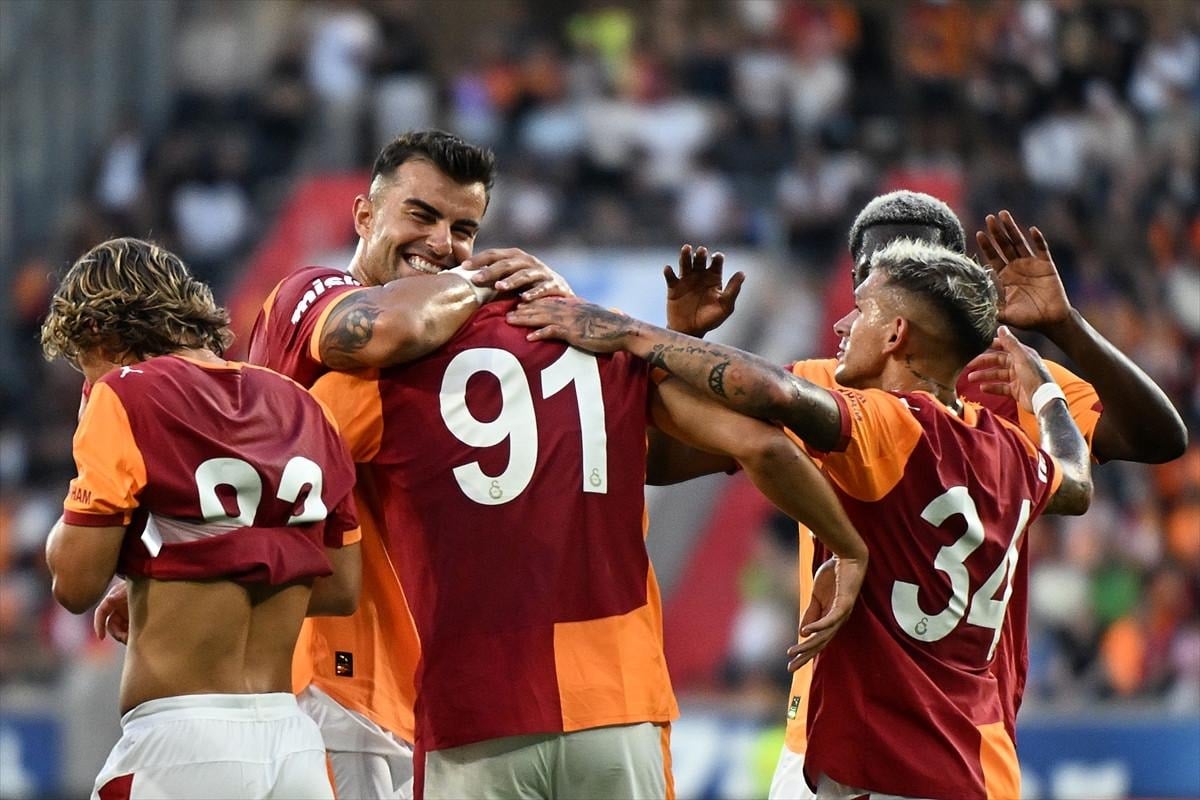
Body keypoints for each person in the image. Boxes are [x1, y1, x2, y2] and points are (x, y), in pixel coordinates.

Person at [509, 237, 1094, 799]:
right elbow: (1075, 483)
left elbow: (773, 393)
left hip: (884, 766)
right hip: (971, 766)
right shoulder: (1006, 448)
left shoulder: (891, 425)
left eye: (861, 309)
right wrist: (1046, 396)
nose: (841, 325)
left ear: (896, 334)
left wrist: (633, 333)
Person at [654, 190, 1187, 799]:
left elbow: (1158, 438)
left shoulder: (996, 377)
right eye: (874, 275)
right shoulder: (831, 382)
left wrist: (1065, 326)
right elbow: (666, 461)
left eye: (912, 267)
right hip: (835, 734)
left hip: (953, 728)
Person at [309, 287, 868, 799]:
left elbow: (289, 457)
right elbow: (761, 446)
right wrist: (848, 547)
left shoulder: (388, 373)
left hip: (473, 708)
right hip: (618, 700)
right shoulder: (607, 337)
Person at [41, 238, 362, 799]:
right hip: (293, 746)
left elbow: (74, 584)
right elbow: (341, 587)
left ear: (97, 332)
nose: (87, 382)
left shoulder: (124, 395)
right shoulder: (304, 404)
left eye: (83, 364)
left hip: (180, 747)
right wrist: (192, 571)